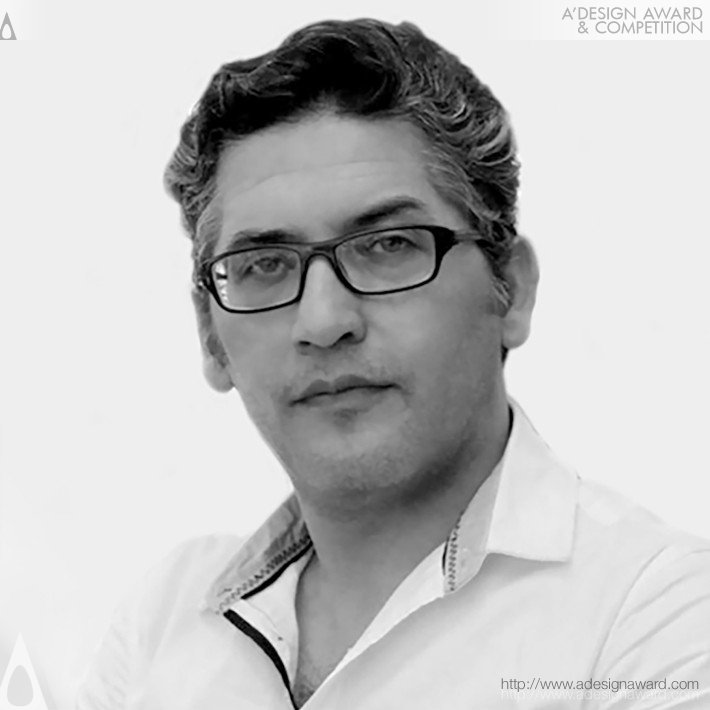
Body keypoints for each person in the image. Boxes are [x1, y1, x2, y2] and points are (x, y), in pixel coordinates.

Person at [76, 17, 710, 709]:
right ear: (210, 337)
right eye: (264, 264)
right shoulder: (164, 625)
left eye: (388, 246)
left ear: (511, 289)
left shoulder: (658, 614)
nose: (324, 322)